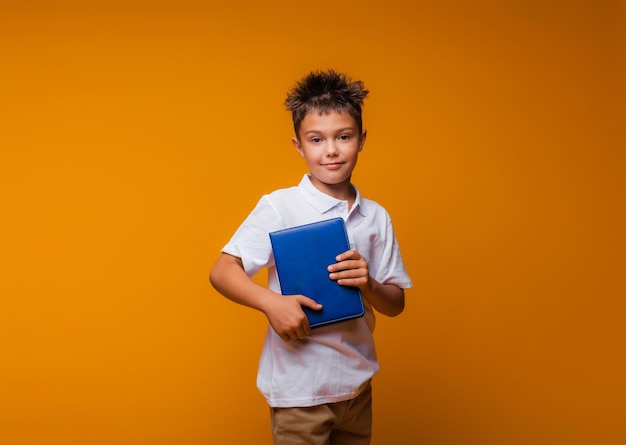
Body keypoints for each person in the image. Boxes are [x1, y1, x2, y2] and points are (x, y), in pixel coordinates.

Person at [209, 69, 412, 445]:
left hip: (357, 386)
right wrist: (272, 303)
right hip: (298, 392)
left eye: (344, 137)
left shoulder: (376, 217)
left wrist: (368, 283)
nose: (331, 150)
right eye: (316, 140)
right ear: (299, 146)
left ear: (362, 139)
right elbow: (223, 270)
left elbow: (396, 303)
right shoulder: (280, 206)